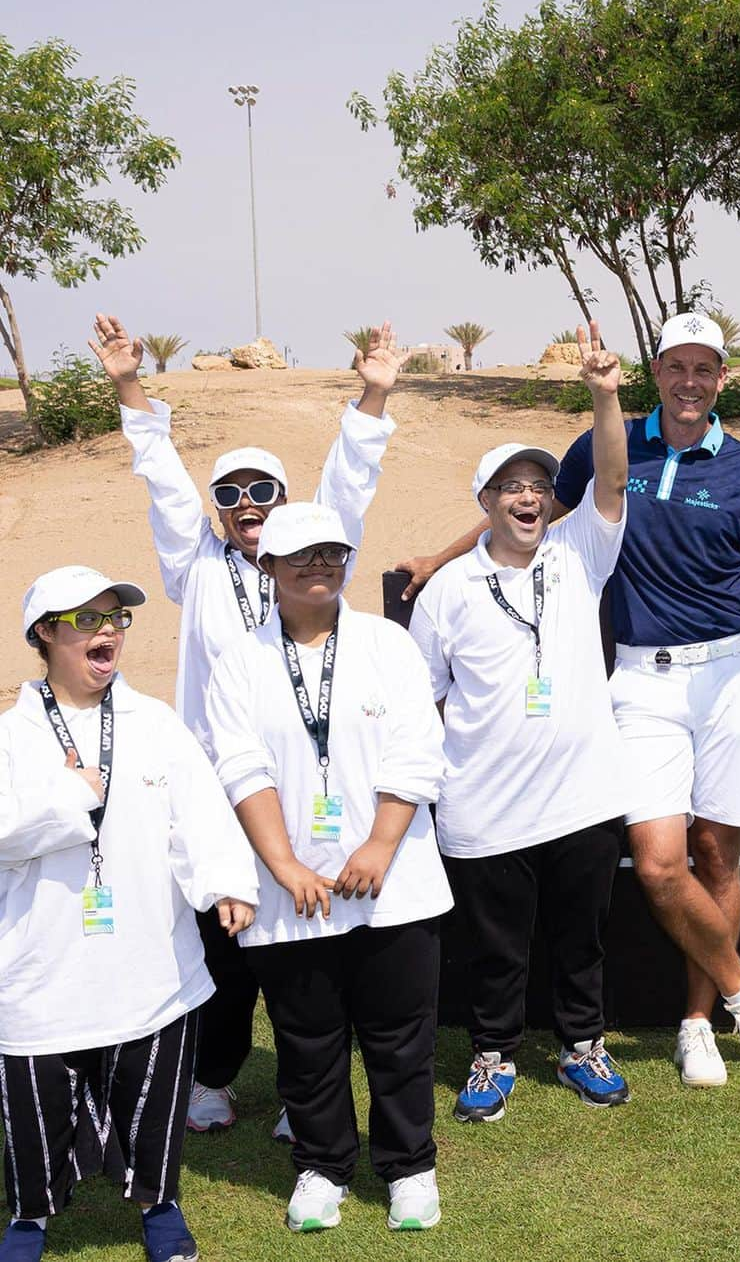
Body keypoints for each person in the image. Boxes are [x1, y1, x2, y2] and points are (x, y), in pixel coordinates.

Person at [397, 311, 740, 1089]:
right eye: (676, 367)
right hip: (643, 676)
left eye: (705, 369)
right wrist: (437, 558)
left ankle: (696, 1026)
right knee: (658, 867)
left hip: (732, 670)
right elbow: (523, 515)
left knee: (717, 852)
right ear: (657, 372)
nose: (690, 382)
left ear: (723, 379)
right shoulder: (603, 449)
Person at [91, 313, 405, 1139]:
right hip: (213, 791)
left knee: (312, 941)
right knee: (224, 943)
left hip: (312, 782)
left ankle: (311, 1092)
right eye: (229, 494)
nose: (246, 505)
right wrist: (130, 384)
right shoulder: (191, 565)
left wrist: (372, 391)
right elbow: (161, 477)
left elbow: (350, 482)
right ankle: (215, 1077)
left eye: (262, 490)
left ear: (285, 500)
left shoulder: (315, 552)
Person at [204, 503, 451, 1235]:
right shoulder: (240, 660)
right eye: (301, 555)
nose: (320, 565)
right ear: (267, 567)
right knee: (307, 1040)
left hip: (393, 886)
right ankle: (322, 1166)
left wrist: (378, 845)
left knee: (400, 1038)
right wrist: (280, 863)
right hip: (293, 895)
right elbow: (240, 766)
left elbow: (417, 750)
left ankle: (410, 1167)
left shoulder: (385, 643)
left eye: (332, 553)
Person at [0, 565, 259, 1262]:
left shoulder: (156, 723)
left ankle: (159, 1205)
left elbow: (199, 816)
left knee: (153, 1094)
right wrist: (65, 798)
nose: (108, 629)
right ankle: (30, 1217)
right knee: (35, 1105)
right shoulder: (11, 737)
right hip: (40, 966)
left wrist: (227, 882)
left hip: (148, 957)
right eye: (87, 619)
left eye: (116, 617)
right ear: (45, 634)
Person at [407, 321, 631, 1122]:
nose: (528, 495)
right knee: (495, 952)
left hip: (583, 798)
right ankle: (493, 1057)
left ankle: (582, 1048)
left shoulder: (579, 554)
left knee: (582, 941)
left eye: (538, 483)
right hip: (485, 805)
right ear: (486, 503)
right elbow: (427, 695)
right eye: (511, 486)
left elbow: (610, 478)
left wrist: (605, 396)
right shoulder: (446, 591)